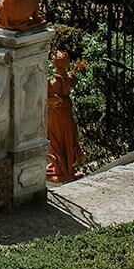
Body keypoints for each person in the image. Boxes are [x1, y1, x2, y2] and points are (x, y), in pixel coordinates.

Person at [47, 51, 83, 183]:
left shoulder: (53, 82)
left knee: (59, 140)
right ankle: (65, 168)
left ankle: (62, 169)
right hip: (62, 114)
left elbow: (43, 99)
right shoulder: (69, 78)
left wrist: (54, 101)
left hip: (58, 115)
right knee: (65, 140)